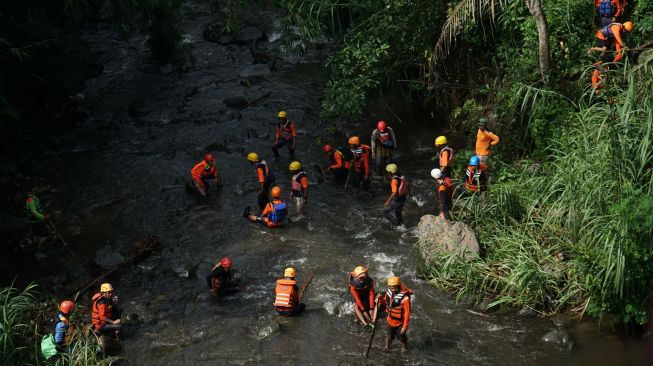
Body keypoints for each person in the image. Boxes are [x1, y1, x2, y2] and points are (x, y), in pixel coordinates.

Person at [378, 276, 412, 352]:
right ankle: (386, 347)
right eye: (391, 288)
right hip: (390, 320)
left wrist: (405, 326)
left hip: (400, 323)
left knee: (402, 338)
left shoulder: (405, 298)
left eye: (395, 288)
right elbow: (385, 302)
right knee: (389, 336)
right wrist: (380, 299)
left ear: (398, 286)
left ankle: (405, 349)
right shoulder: (388, 292)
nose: (393, 290)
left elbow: (407, 313)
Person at [383, 164, 409, 228]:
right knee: (398, 212)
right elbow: (407, 184)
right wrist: (409, 192)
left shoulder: (394, 181)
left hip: (397, 200)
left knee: (385, 211)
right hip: (403, 198)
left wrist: (388, 201)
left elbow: (394, 192)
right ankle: (401, 224)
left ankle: (395, 224)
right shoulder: (402, 176)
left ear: (390, 172)